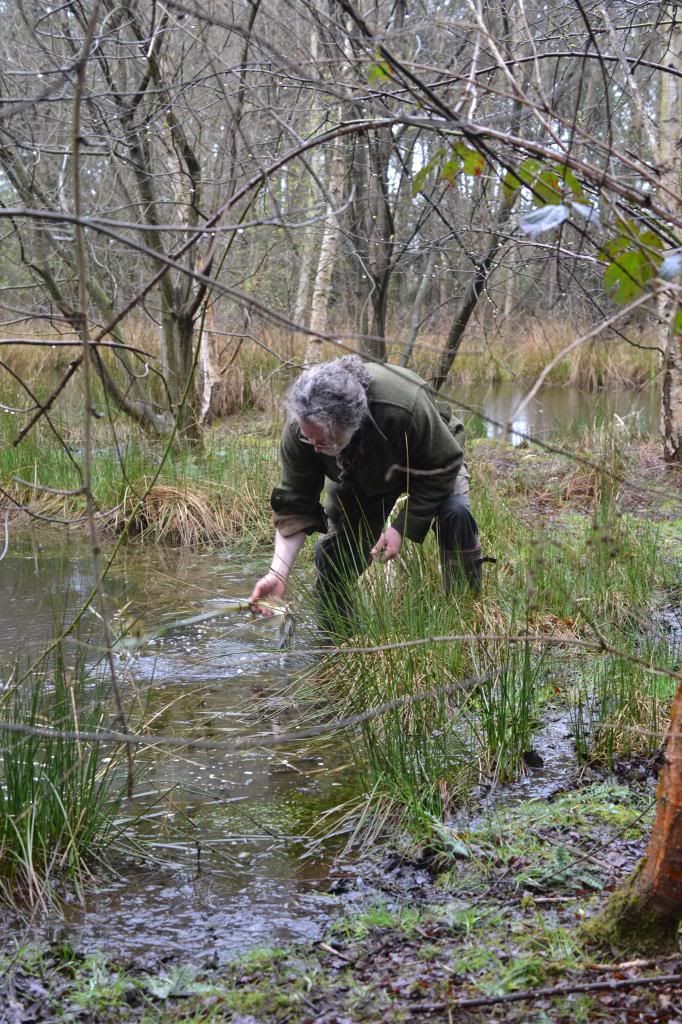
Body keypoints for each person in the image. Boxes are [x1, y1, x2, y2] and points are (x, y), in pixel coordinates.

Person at [248, 356, 485, 631]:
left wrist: (401, 527)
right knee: (336, 555)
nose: (312, 446)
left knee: (454, 513)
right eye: (306, 436)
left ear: (347, 424)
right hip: (361, 475)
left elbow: (444, 463)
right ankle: (336, 642)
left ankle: (465, 616)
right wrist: (279, 572)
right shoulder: (301, 431)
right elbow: (294, 506)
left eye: (321, 440)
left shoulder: (403, 405)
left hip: (431, 461)